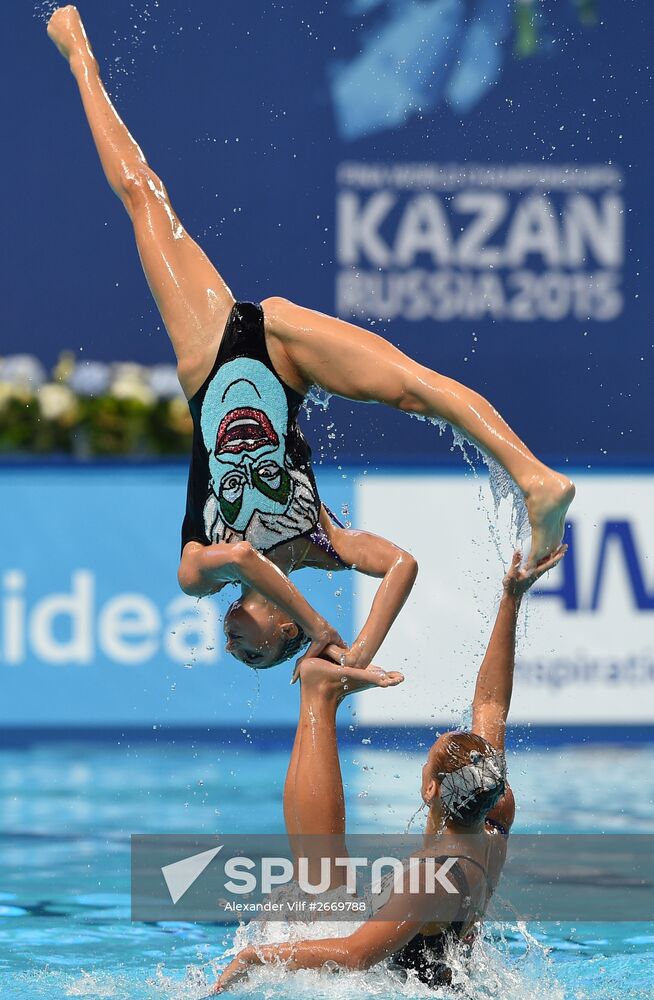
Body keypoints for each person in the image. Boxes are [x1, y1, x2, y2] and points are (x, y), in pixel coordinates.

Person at [47, 6, 574, 669]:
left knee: (143, 194)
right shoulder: (319, 545)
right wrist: (354, 655)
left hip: (212, 360)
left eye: (234, 650)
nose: (231, 643)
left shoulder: (199, 575)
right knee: (414, 389)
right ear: (285, 638)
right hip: (284, 362)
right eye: (253, 654)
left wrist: (320, 626)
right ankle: (535, 477)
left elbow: (239, 555)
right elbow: (403, 565)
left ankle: (79, 57)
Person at [214, 545, 565, 991]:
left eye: (430, 756)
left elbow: (356, 955)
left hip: (373, 972)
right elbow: (491, 705)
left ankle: (319, 696)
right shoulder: (492, 821)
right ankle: (318, 695)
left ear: (431, 790)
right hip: (430, 972)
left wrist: (256, 956)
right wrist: (511, 598)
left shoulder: (429, 879)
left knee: (321, 890)